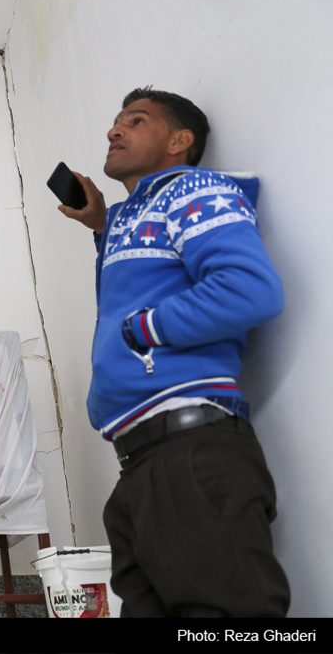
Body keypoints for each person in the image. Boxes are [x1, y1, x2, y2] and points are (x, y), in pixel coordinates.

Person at [58, 87, 290, 617]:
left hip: (190, 452)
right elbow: (145, 269)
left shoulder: (193, 189)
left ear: (179, 141)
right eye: (114, 122)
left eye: (136, 122)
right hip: (139, 462)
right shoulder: (128, 217)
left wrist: (146, 328)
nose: (114, 131)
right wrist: (101, 224)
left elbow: (249, 289)